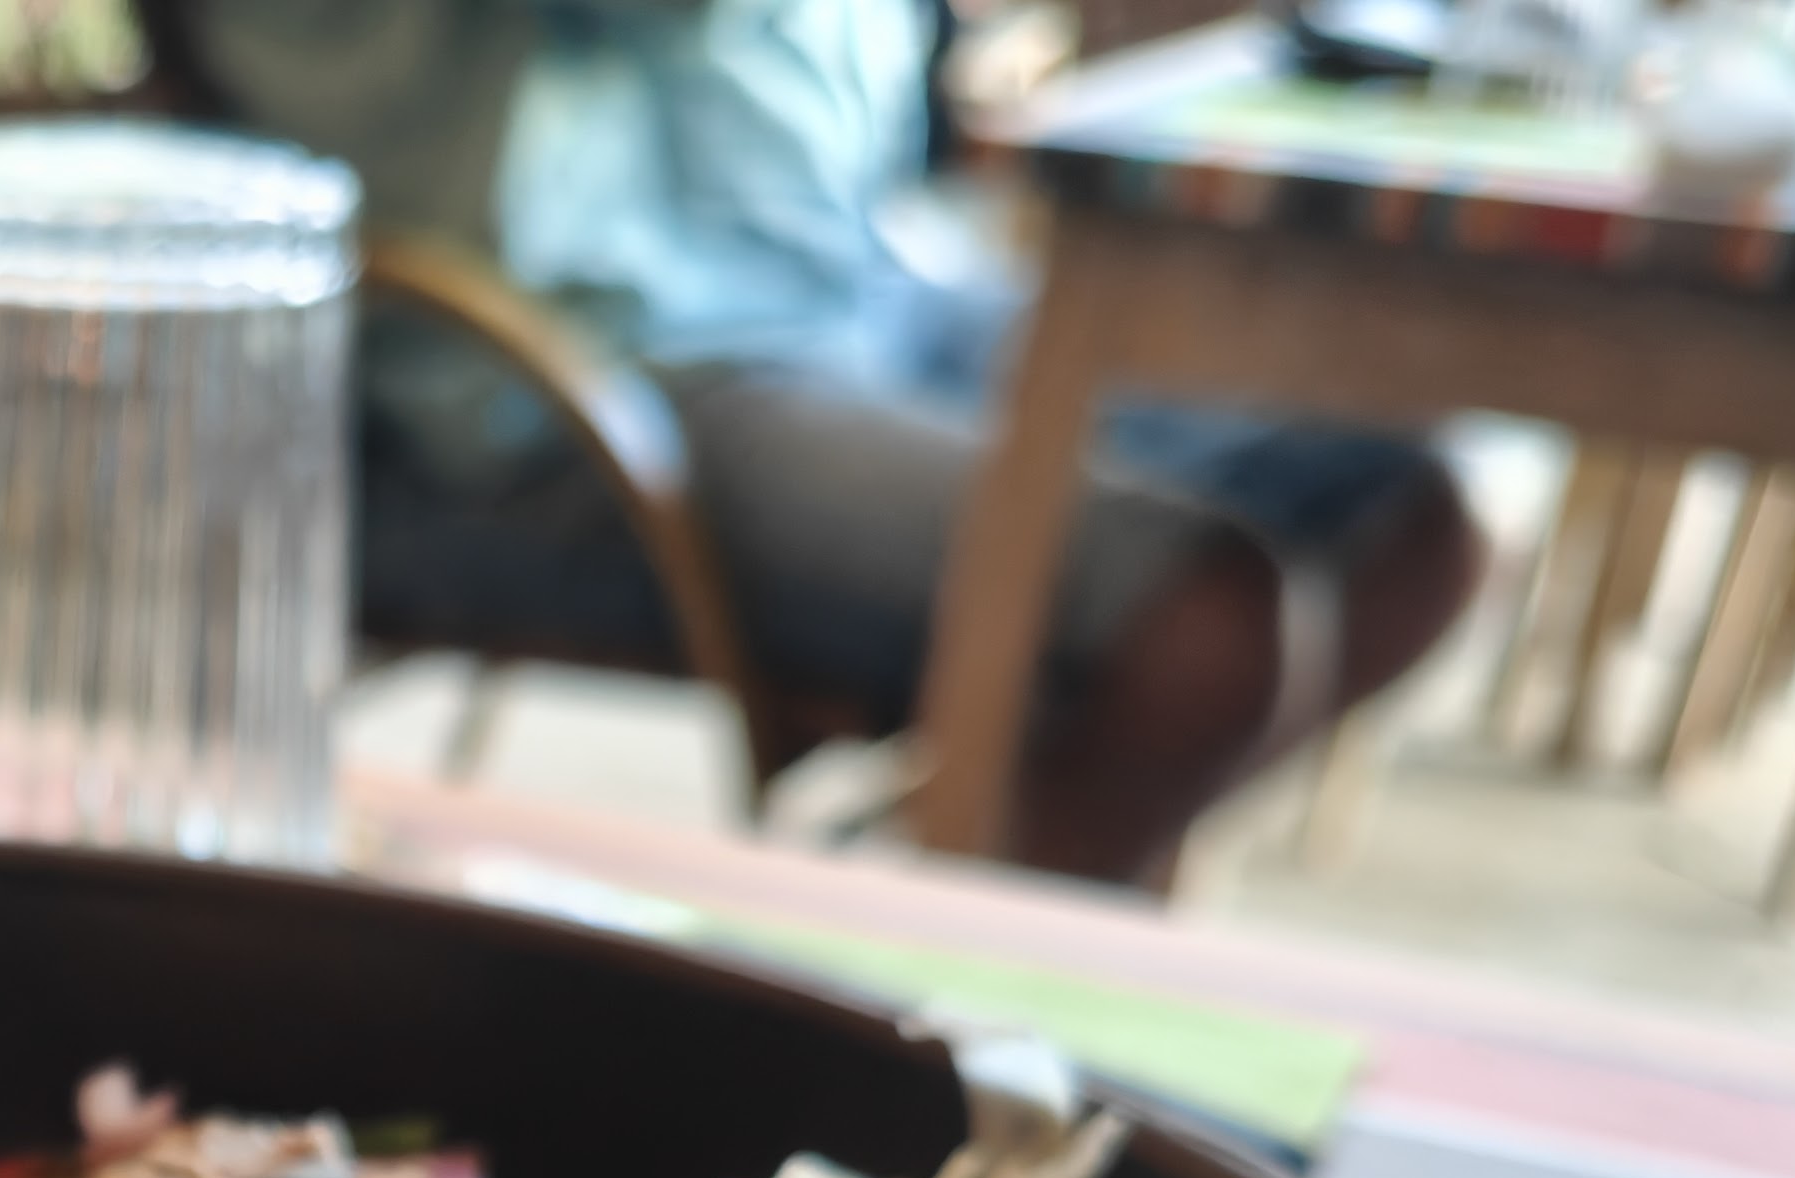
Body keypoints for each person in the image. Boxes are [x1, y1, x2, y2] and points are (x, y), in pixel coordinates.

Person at [156, 0, 1484, 882]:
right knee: (1211, 619)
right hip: (562, 377)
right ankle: (946, 992)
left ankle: (969, 875)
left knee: (1409, 515)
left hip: (845, 282)